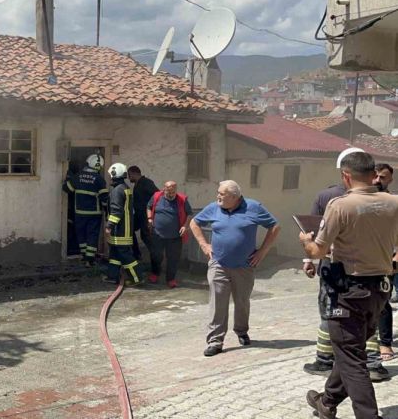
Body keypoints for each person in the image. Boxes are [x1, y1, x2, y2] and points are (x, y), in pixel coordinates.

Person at [301, 151, 398, 419]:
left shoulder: (340, 205)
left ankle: (368, 415)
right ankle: (327, 401)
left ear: (346, 175)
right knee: (350, 349)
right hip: (379, 290)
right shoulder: (394, 202)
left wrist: (304, 241)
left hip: (347, 291)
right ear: (372, 173)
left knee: (353, 360)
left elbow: (318, 250)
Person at [190, 180, 280, 357]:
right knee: (217, 302)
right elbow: (194, 223)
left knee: (242, 301)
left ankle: (241, 331)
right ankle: (215, 340)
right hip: (218, 264)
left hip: (244, 267)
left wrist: (262, 252)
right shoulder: (214, 208)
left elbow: (275, 226)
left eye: (221, 194)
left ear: (234, 197)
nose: (218, 197)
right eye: (218, 193)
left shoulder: (253, 207)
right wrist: (204, 245)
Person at [62, 154, 108, 266]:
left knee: (81, 234)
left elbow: (66, 188)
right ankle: (90, 259)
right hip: (94, 213)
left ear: (88, 163)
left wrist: (68, 178)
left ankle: (84, 255)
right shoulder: (100, 179)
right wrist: (107, 211)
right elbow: (104, 199)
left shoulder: (78, 176)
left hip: (79, 212)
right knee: (92, 235)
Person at [146, 181, 192, 287]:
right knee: (156, 255)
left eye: (173, 192)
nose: (171, 194)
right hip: (157, 234)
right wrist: (149, 219)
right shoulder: (157, 196)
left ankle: (170, 279)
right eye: (169, 192)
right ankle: (155, 274)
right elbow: (148, 206)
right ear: (164, 189)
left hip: (175, 236)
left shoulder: (182, 199)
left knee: (173, 258)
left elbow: (189, 214)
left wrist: (185, 226)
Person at [102, 162, 141, 286]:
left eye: (111, 174)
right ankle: (112, 276)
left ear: (114, 174)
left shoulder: (117, 190)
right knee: (114, 254)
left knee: (125, 255)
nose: (110, 177)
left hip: (120, 230)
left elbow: (116, 211)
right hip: (123, 228)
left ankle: (137, 278)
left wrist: (109, 226)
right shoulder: (124, 188)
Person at [373, 163, 396, 362]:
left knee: (382, 302)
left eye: (382, 177)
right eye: (375, 176)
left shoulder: (393, 203)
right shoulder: (360, 201)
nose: (377, 180)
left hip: (387, 261)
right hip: (363, 261)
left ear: (390, 180)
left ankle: (385, 343)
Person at [127, 166, 158, 261]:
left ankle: (156, 257)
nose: (129, 178)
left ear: (134, 173)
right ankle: (137, 254)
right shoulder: (138, 184)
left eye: (129, 175)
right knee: (129, 230)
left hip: (146, 215)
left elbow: (157, 195)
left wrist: (150, 211)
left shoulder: (146, 182)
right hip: (139, 215)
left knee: (146, 236)